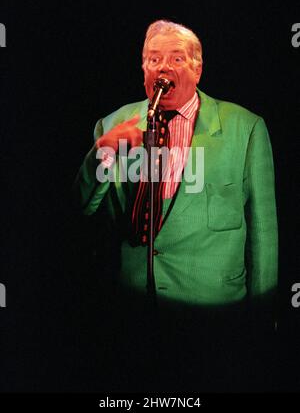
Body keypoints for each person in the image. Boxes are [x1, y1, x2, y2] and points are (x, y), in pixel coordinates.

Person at [73, 20, 278, 391]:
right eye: (153, 60)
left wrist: (262, 322)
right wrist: (103, 153)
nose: (163, 67)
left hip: (212, 318)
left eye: (176, 59)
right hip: (132, 315)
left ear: (197, 69)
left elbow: (263, 233)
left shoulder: (245, 128)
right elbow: (83, 209)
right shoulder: (114, 124)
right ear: (143, 69)